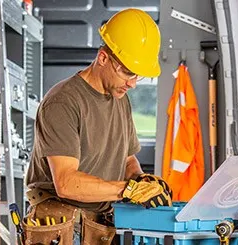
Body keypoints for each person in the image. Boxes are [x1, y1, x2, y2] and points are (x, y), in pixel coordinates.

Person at [24, 8, 172, 245]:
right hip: (62, 225)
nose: (133, 84)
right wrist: (128, 190)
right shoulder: (63, 101)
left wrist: (141, 181)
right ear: (103, 58)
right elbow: (66, 182)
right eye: (128, 73)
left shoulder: (120, 99)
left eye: (138, 76)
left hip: (101, 224)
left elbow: (126, 159)